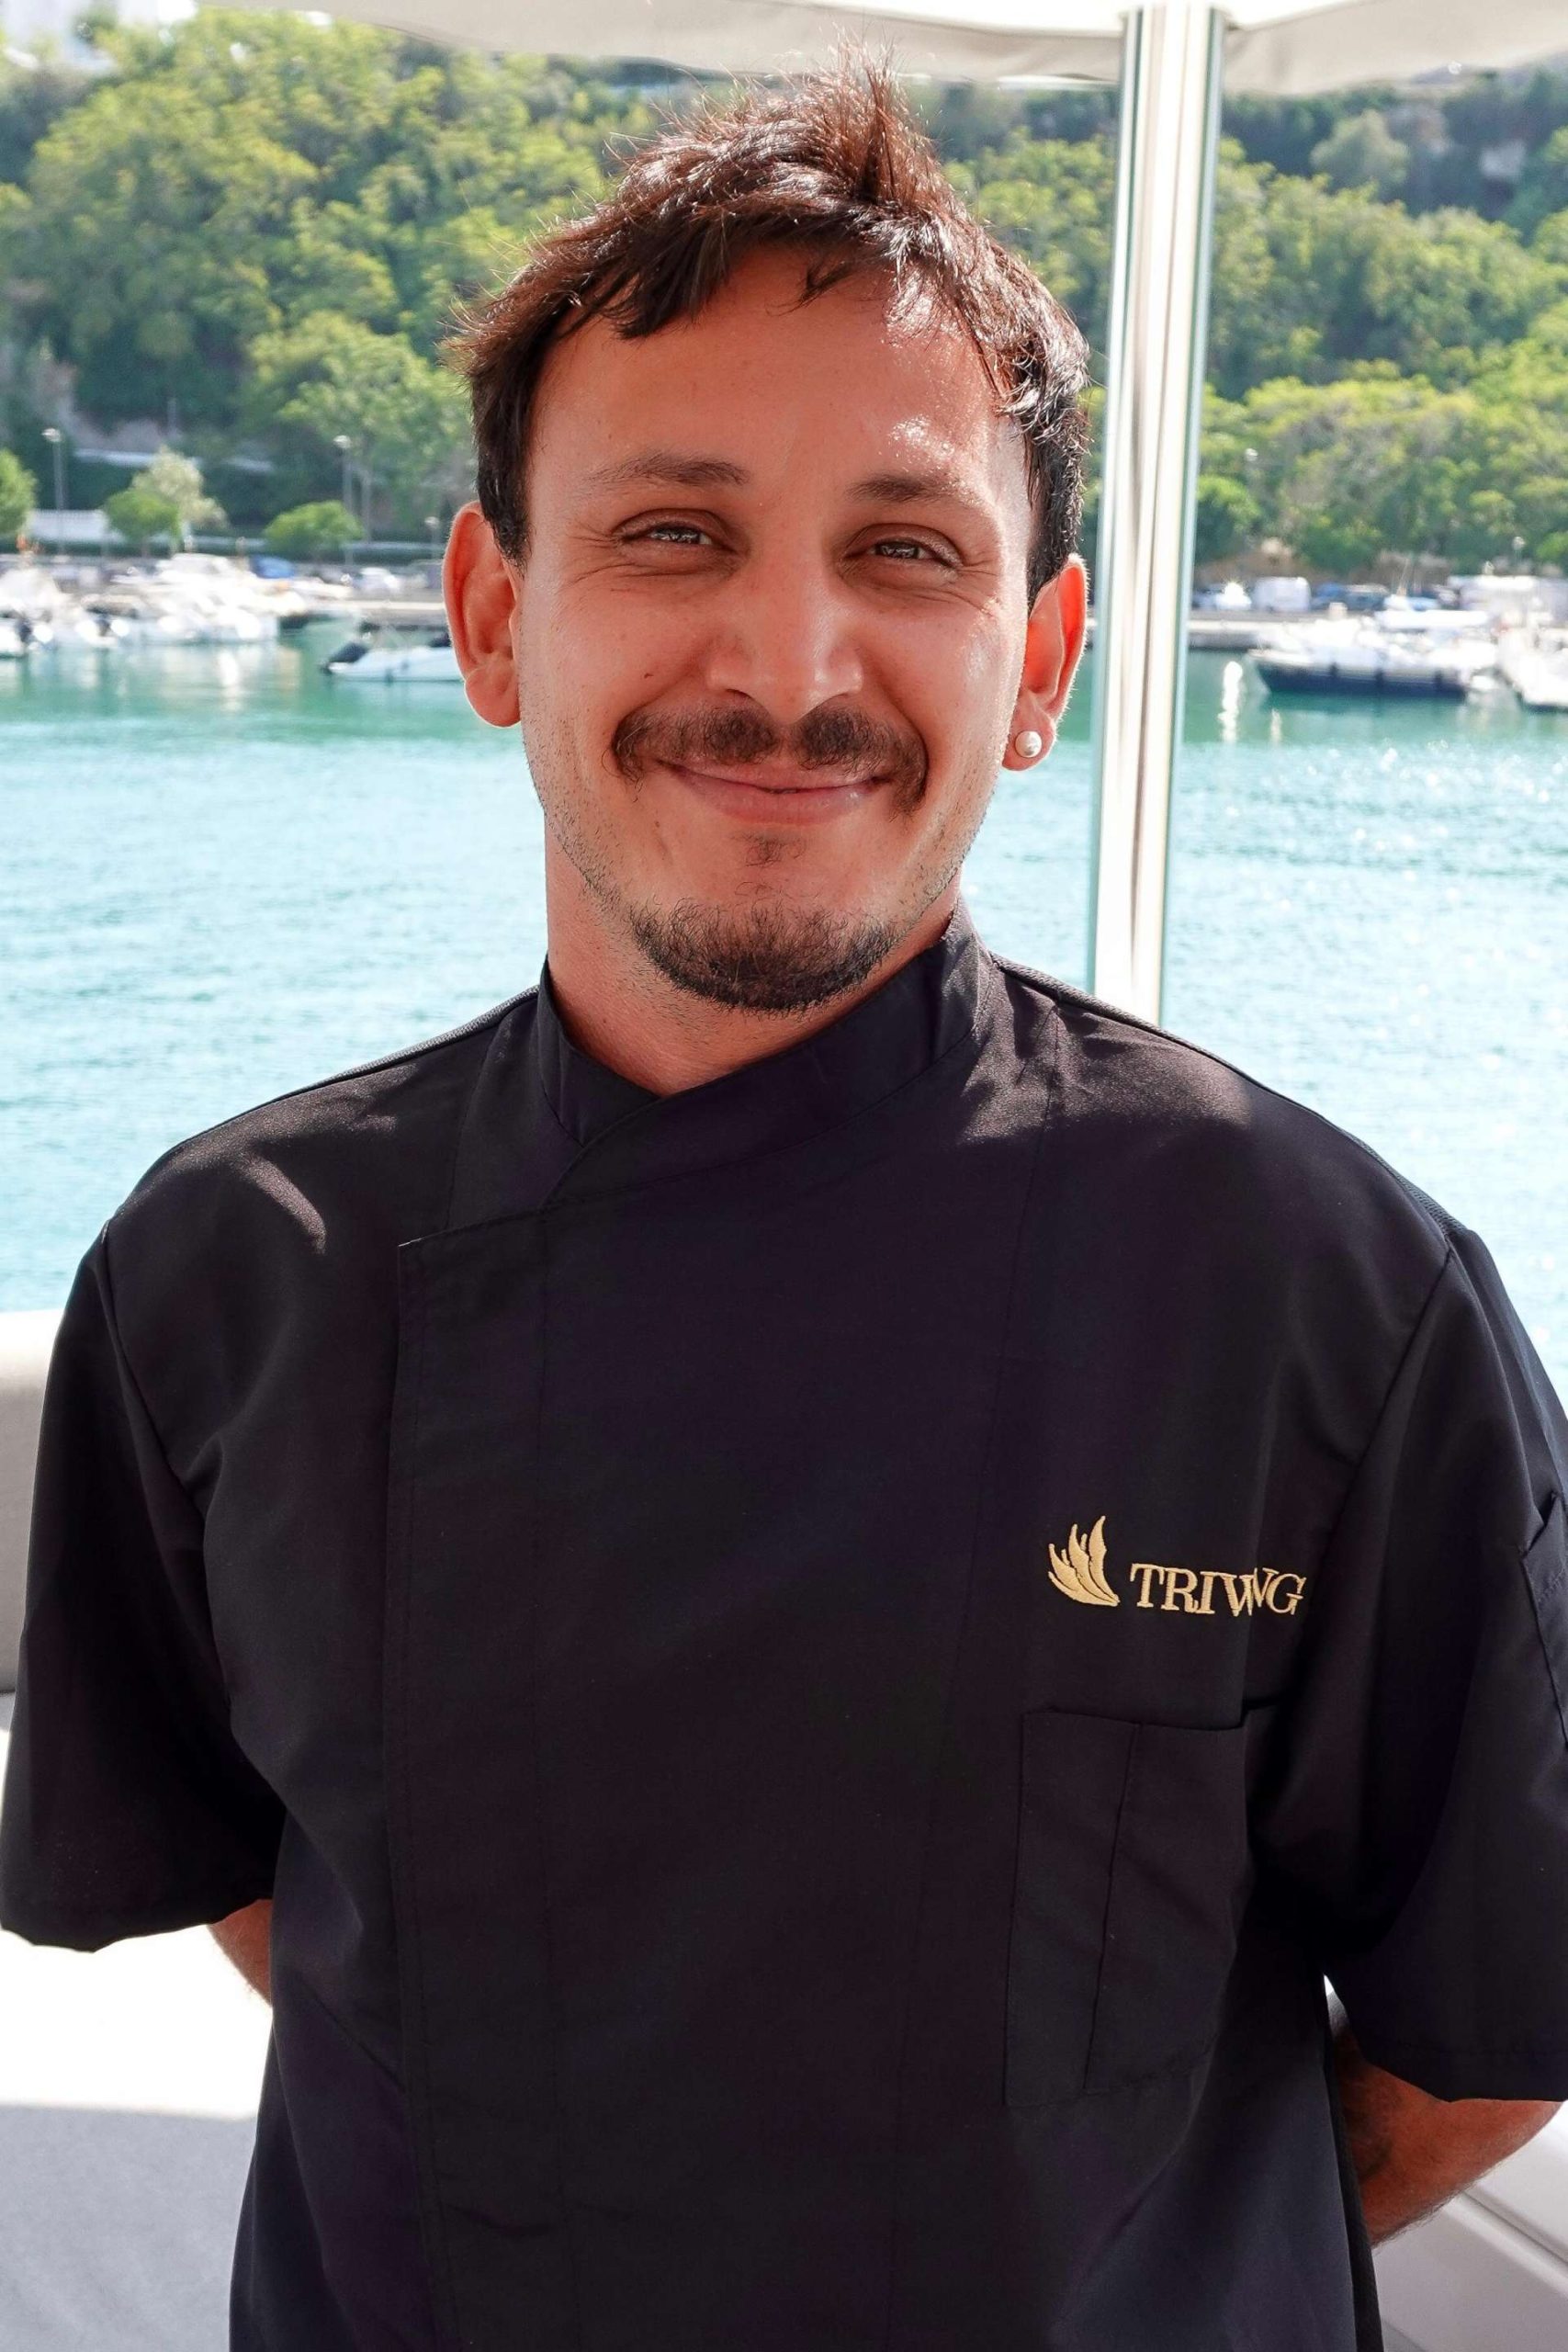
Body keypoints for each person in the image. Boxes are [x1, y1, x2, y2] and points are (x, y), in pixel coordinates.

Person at [3, 56, 1566, 2352]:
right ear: (489, 613)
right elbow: (271, 1900)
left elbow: (1478, 2038)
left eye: (905, 550)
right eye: (671, 531)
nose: (787, 665)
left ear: (1034, 662)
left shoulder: (1323, 1300)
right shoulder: (228, 1283)